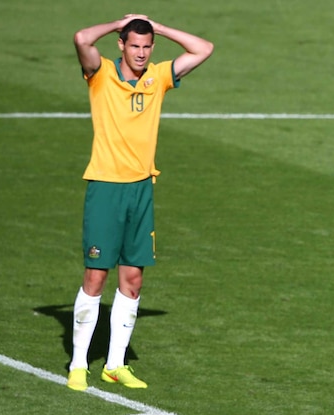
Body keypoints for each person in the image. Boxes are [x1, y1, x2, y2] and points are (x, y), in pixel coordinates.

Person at [66, 15, 213, 391]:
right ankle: (79, 364)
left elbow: (203, 49)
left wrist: (159, 27)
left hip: (141, 189)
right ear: (121, 45)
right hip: (105, 187)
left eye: (147, 47)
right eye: (134, 45)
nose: (142, 53)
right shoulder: (100, 74)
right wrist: (118, 21)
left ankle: (115, 364)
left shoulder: (158, 77)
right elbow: (82, 37)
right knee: (96, 276)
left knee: (132, 280)